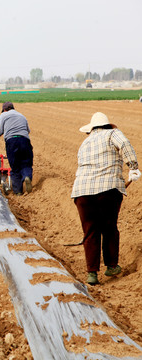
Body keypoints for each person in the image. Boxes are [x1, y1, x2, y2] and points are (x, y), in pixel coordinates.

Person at [71, 112, 140, 285]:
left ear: (91, 129)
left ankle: (92, 274)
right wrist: (133, 167)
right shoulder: (112, 133)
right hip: (108, 189)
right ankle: (111, 266)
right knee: (109, 227)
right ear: (107, 125)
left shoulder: (84, 143)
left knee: (90, 231)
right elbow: (124, 143)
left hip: (81, 192)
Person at [0, 101, 33, 195]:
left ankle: (18, 192)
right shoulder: (22, 116)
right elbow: (28, 131)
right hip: (24, 140)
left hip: (12, 142)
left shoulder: (4, 115)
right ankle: (27, 176)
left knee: (15, 167)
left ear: (4, 109)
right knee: (26, 163)